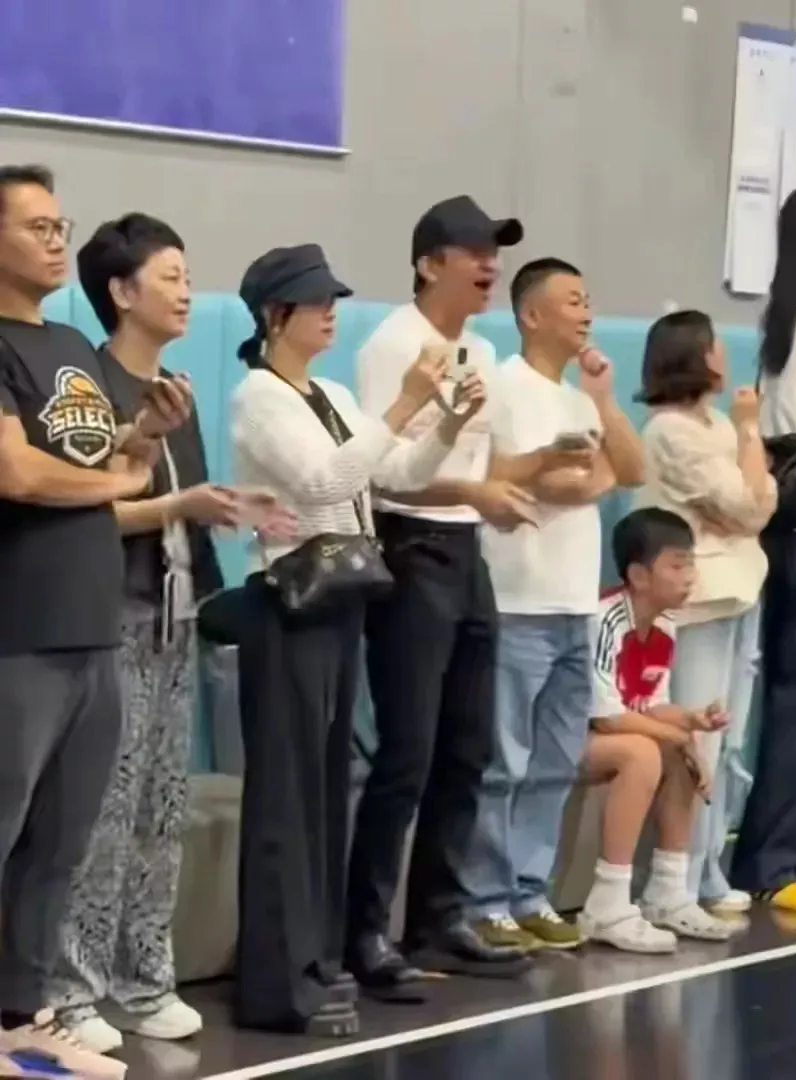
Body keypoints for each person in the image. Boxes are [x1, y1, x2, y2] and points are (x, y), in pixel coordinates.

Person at [45, 215, 294, 1053]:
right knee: (101, 810)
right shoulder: (86, 386)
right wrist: (178, 505)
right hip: (109, 614)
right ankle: (72, 988)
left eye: (189, 277)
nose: (187, 292)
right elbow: (89, 509)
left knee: (162, 805)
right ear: (121, 292)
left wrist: (223, 512)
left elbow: (182, 505)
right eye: (170, 276)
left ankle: (145, 977)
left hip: (175, 615)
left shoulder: (176, 391)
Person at [230, 242, 485, 1037]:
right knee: (288, 799)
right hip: (290, 605)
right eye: (315, 302)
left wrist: (448, 420)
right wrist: (405, 404)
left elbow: (395, 474)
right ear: (275, 315)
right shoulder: (259, 396)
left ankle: (318, 960)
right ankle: (278, 984)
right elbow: (325, 482)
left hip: (341, 603)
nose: (330, 313)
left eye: (332, 300)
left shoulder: (334, 393)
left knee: (326, 796)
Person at [347, 199, 594, 991]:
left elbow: (479, 467)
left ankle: (439, 921)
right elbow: (383, 471)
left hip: (466, 549)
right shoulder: (396, 343)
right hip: (412, 545)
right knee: (407, 753)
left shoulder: (480, 350)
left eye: (494, 251)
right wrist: (475, 492)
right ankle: (364, 932)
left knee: (467, 748)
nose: (488, 264)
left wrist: (517, 480)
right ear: (428, 265)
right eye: (472, 251)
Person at [0, 166, 188, 1078]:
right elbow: (19, 473)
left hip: (91, 627)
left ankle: (18, 1015)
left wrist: (144, 434)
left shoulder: (72, 342)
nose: (54, 240)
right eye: (35, 225)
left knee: (60, 844)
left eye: (59, 224)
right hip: (18, 630)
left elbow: (99, 458)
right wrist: (114, 479)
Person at [459, 257, 645, 952]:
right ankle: (484, 901)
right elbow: (500, 476)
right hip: (517, 600)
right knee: (502, 761)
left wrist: (604, 401)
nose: (586, 311)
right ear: (531, 314)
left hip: (575, 604)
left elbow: (630, 469)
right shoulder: (503, 386)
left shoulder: (579, 398)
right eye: (572, 300)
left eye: (588, 299)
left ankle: (528, 892)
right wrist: (566, 472)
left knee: (555, 763)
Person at [634, 310, 776, 915]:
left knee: (728, 740)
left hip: (742, 588)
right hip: (700, 601)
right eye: (715, 345)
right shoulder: (671, 430)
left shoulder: (717, 424)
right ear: (693, 355)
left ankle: (707, 868)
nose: (725, 354)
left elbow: (759, 502)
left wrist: (746, 471)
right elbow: (747, 504)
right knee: (696, 741)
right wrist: (750, 436)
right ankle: (675, 879)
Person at [580, 507, 734, 952]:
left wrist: (692, 721)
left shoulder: (664, 623)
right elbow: (606, 715)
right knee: (644, 752)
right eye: (677, 566)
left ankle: (667, 893)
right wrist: (678, 736)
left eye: (691, 565)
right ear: (638, 575)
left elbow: (651, 704)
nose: (689, 577)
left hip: (608, 734)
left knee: (676, 749)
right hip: (568, 739)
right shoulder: (605, 619)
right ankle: (607, 903)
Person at [731, 185, 796, 911]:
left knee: (794, 702)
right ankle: (775, 861)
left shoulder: (785, 317)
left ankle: (781, 854)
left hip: (789, 533)